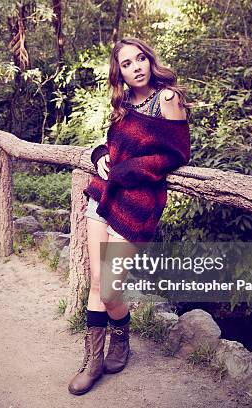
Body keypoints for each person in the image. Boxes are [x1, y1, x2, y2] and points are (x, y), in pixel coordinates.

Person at [68, 37, 191, 395]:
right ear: (118, 71)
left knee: (109, 289)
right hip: (103, 197)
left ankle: (121, 335)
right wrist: (99, 155)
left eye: (140, 59)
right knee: (96, 283)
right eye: (126, 63)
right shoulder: (122, 104)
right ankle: (93, 362)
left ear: (150, 61)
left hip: (139, 203)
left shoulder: (167, 99)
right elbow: (112, 147)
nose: (136, 67)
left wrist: (129, 170)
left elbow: (177, 154)